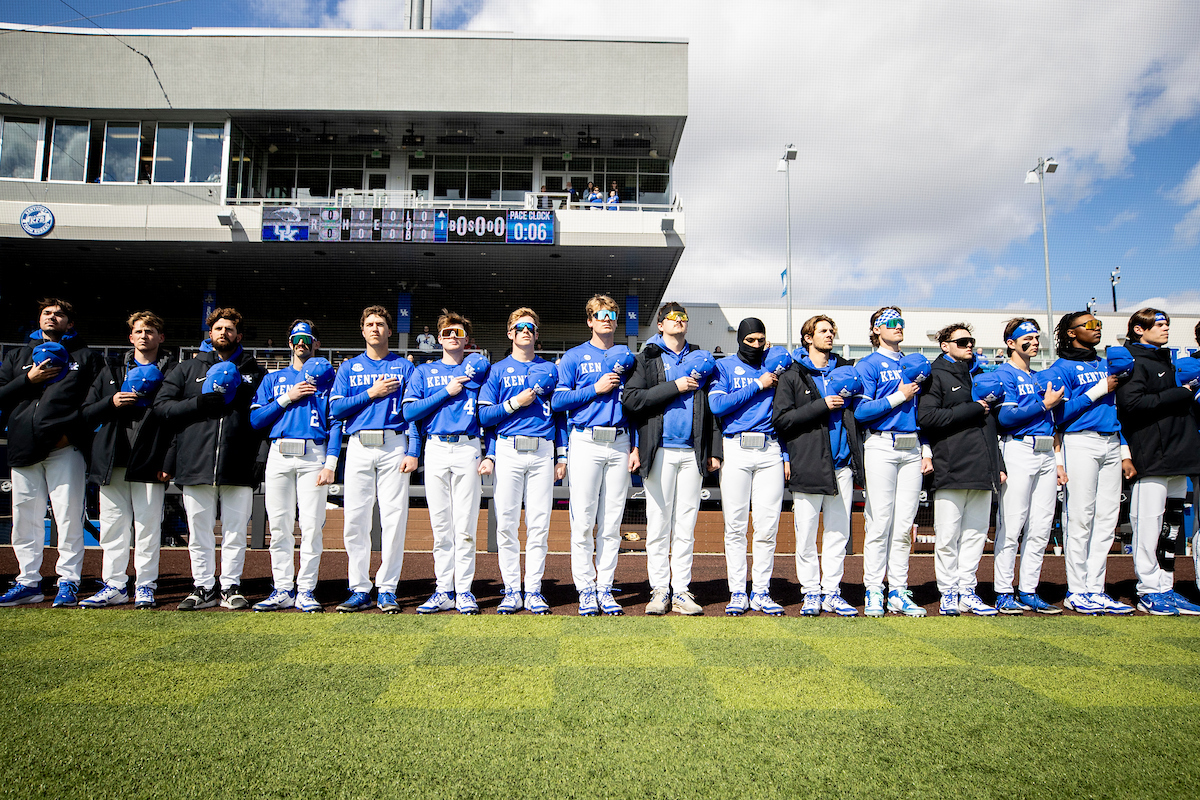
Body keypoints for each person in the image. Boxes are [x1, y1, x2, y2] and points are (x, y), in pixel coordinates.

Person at [154, 307, 267, 610]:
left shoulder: (255, 372)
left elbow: (265, 419)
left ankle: (230, 586)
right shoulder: (187, 369)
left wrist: (260, 459)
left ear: (238, 335)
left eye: (229, 329)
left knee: (234, 531)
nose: (223, 334)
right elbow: (162, 408)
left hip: (238, 464)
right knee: (199, 531)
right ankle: (203, 586)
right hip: (195, 463)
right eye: (218, 329)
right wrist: (197, 403)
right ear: (210, 334)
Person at [0, 298, 105, 607]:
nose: (52, 317)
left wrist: (70, 433)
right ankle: (28, 582)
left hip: (64, 447)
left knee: (69, 517)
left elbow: (96, 404)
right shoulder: (18, 356)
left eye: (59, 314)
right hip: (23, 447)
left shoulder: (86, 358)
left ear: (69, 323)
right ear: (39, 319)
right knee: (25, 518)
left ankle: (69, 581)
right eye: (47, 313)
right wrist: (27, 379)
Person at [623, 302, 717, 616]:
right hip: (658, 450)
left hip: (692, 453)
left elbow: (713, 408)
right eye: (672, 318)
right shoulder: (647, 357)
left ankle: (682, 591)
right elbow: (633, 401)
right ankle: (660, 590)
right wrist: (673, 387)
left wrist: (713, 451)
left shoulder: (702, 358)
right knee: (659, 523)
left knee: (685, 526)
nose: (679, 321)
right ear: (660, 325)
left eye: (683, 317)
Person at [78, 311, 176, 609]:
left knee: (147, 526)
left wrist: (167, 462)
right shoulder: (111, 369)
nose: (144, 335)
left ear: (161, 337)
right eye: (139, 331)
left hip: (149, 459)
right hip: (113, 459)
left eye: (151, 331)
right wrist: (112, 401)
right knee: (112, 526)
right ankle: (115, 584)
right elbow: (86, 412)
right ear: (131, 337)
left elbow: (176, 422)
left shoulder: (173, 371)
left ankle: (145, 585)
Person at [1040, 311, 1134, 615]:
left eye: (1099, 325)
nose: (1097, 329)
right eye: (1089, 325)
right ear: (1070, 333)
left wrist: (1123, 450)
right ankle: (1077, 590)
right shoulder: (1061, 368)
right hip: (1079, 440)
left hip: (1110, 440)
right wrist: (1097, 390)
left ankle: (1096, 588)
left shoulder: (1107, 363)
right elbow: (1057, 414)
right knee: (1080, 516)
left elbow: (1118, 408)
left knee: (1108, 519)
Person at [552, 294, 640, 616]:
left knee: (612, 522)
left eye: (611, 314)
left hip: (619, 441)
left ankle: (605, 587)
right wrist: (595, 389)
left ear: (616, 321)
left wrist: (636, 446)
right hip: (585, 441)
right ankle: (585, 588)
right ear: (589, 320)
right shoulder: (574, 357)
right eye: (599, 314)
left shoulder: (629, 358)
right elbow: (558, 402)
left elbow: (636, 403)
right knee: (583, 520)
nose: (606, 318)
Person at [772, 314, 863, 617]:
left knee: (838, 533)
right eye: (822, 331)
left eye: (831, 330)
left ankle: (832, 592)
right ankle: (811, 590)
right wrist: (821, 405)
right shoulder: (792, 376)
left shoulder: (848, 370)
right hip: (809, 463)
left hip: (842, 465)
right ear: (808, 338)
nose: (830, 335)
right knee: (807, 534)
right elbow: (783, 420)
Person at [329, 305, 419, 613]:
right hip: (357, 444)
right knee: (355, 518)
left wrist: (413, 450)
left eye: (381, 324)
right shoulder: (348, 367)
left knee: (394, 519)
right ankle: (359, 587)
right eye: (369, 324)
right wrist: (371, 392)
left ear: (390, 331)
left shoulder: (405, 367)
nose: (375, 328)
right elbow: (337, 410)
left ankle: (387, 588)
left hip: (394, 444)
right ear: (363, 330)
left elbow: (413, 414)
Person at [477, 308, 566, 614]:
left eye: (531, 326)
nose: (526, 330)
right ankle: (512, 589)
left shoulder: (551, 371)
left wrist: (562, 455)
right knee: (507, 524)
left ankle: (535, 590)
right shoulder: (496, 370)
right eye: (520, 326)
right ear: (510, 333)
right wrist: (516, 402)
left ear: (537, 335)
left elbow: (561, 416)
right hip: (508, 450)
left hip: (543, 450)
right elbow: (484, 415)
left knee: (539, 525)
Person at [249, 320, 342, 612]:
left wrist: (331, 461)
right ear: (289, 343)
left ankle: (306, 589)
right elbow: (256, 420)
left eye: (307, 339)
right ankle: (282, 588)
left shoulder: (328, 379)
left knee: (312, 526)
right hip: (279, 453)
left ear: (316, 344)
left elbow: (336, 423)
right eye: (296, 338)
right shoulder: (273, 379)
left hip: (313, 453)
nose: (301, 343)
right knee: (279, 526)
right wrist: (288, 397)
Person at [405, 310, 491, 615]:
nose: (452, 337)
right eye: (446, 333)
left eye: (458, 333)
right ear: (438, 338)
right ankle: (443, 589)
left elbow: (489, 417)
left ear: (466, 339)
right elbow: (410, 413)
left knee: (465, 525)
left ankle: (464, 590)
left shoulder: (480, 373)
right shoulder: (424, 372)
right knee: (441, 526)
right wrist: (446, 391)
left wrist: (489, 453)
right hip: (436, 448)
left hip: (468, 447)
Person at [1115, 309, 1200, 615]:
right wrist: (1182, 393)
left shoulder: (1164, 359)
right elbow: (1131, 404)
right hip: (1152, 455)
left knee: (1172, 529)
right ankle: (1149, 590)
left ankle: (1166, 585)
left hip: (1178, 456)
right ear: (1139, 329)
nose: (1166, 329)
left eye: (1167, 324)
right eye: (1159, 324)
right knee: (1148, 526)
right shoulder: (1132, 360)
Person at [918, 323, 1005, 616]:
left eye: (971, 341)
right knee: (947, 535)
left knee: (977, 533)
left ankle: (967, 589)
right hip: (951, 465)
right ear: (945, 345)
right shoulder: (935, 376)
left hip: (982, 466)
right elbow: (926, 417)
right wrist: (973, 408)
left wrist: (998, 465)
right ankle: (948, 592)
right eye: (962, 341)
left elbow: (990, 425)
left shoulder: (978, 375)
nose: (969, 345)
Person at [852, 307, 927, 617]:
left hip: (912, 447)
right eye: (891, 323)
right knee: (879, 521)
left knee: (904, 524)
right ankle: (873, 589)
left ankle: (898, 590)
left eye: (901, 322)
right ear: (876, 330)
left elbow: (924, 408)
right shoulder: (867, 364)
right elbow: (862, 412)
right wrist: (900, 396)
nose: (899, 327)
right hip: (882, 443)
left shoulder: (915, 362)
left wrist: (928, 449)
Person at [708, 318, 785, 616]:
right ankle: (738, 591)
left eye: (760, 340)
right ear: (740, 340)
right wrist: (757, 384)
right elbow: (718, 406)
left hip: (770, 449)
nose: (755, 346)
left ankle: (762, 591)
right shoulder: (724, 367)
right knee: (736, 526)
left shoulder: (776, 366)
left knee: (767, 526)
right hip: (736, 447)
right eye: (749, 340)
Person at [991, 318, 1065, 614]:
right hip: (1018, 447)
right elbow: (1005, 419)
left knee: (1041, 526)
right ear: (1011, 343)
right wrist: (1044, 405)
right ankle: (1003, 591)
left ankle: (1029, 589)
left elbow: (1054, 423)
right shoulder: (1002, 374)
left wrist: (1059, 461)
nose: (1035, 342)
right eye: (1028, 337)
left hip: (1046, 452)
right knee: (1012, 523)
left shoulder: (1038, 376)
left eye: (1037, 337)